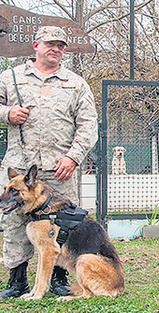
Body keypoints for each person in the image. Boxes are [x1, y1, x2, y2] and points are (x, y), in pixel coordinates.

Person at [0, 26, 98, 298]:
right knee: (14, 225)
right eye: (49, 44)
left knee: (62, 226)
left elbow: (89, 125)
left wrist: (73, 157)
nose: (56, 49)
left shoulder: (76, 83)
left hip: (59, 170)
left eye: (61, 45)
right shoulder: (11, 78)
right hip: (19, 168)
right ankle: (16, 279)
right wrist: (8, 113)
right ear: (35, 45)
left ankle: (58, 279)